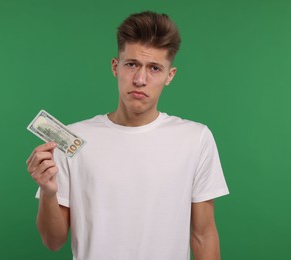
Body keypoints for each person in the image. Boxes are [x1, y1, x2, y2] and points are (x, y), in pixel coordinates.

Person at [26, 11, 229, 260]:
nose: (140, 79)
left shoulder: (195, 138)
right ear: (115, 66)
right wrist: (47, 193)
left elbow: (204, 236)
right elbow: (52, 241)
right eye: (131, 64)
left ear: (170, 75)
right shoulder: (72, 139)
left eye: (154, 68)